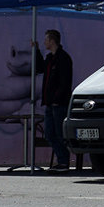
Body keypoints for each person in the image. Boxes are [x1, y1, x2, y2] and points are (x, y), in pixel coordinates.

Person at [33, 29, 73, 171]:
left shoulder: (63, 58)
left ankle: (63, 162)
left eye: (46, 40)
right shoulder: (50, 58)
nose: (45, 42)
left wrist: (57, 98)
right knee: (49, 134)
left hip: (59, 103)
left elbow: (64, 82)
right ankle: (61, 160)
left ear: (52, 41)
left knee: (59, 133)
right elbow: (39, 68)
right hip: (50, 103)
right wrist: (36, 51)